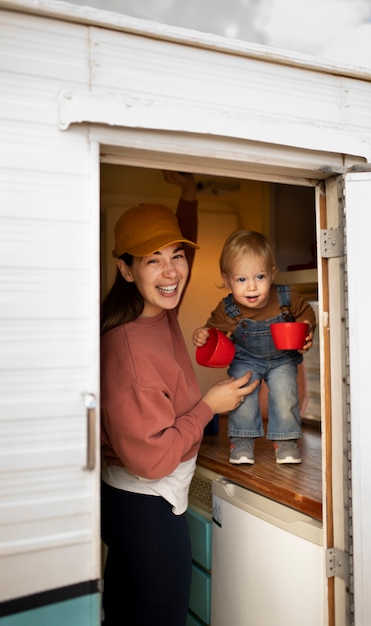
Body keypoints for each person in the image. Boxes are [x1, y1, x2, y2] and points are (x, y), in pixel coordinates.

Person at [100, 172, 258, 626]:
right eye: (153, 260)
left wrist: (188, 196)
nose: (172, 271)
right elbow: (152, 461)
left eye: (176, 256)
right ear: (126, 269)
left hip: (127, 500)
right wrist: (209, 405)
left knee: (123, 617)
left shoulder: (153, 306)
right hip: (144, 502)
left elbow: (181, 259)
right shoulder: (130, 353)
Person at [192, 229, 316, 465]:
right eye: (241, 279)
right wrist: (202, 334)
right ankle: (241, 441)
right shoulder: (228, 308)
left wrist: (307, 327)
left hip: (283, 358)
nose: (251, 287)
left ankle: (286, 441)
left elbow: (305, 313)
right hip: (246, 358)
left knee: (284, 394)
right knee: (243, 395)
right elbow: (212, 331)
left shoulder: (286, 297)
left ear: (272, 274)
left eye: (259, 277)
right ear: (227, 280)